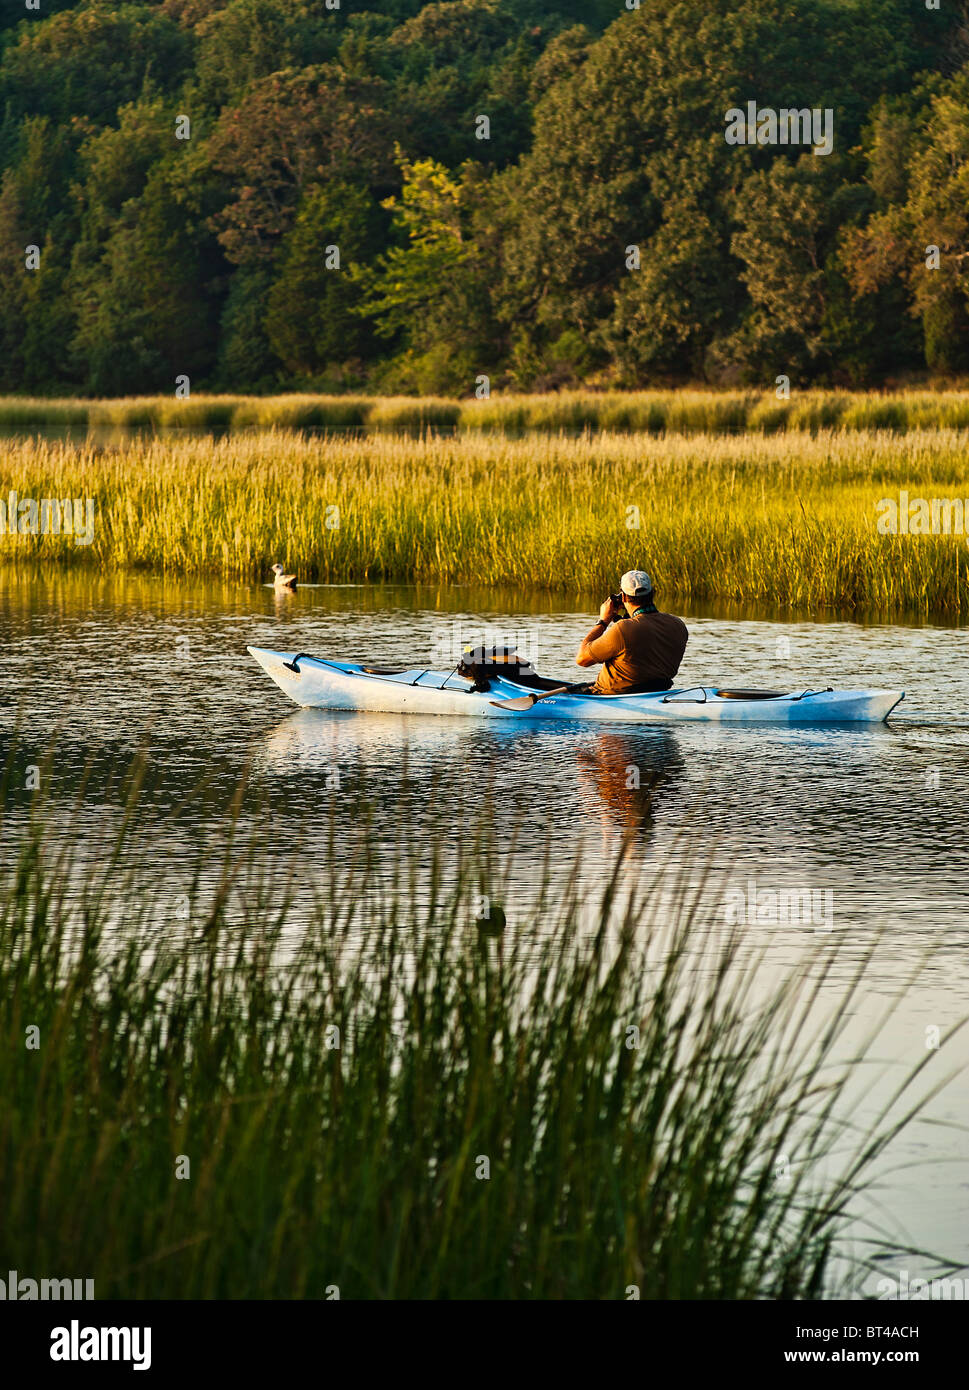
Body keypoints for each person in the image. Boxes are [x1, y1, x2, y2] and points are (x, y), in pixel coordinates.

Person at [575, 570, 688, 695]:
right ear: (653, 593)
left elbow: (582, 659)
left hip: (611, 697)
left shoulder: (623, 629)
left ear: (622, 597)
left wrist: (603, 622)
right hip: (658, 693)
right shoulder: (678, 624)